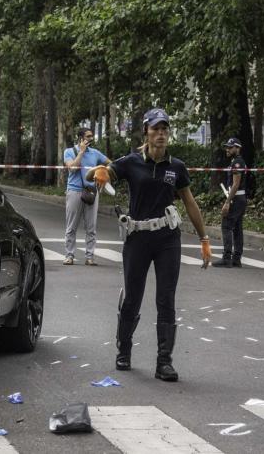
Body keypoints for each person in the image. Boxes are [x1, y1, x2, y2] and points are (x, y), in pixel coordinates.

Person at [88, 108, 212, 381]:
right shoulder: (131, 162)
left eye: (165, 130)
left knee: (166, 299)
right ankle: (124, 351)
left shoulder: (176, 167)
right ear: (146, 131)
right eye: (156, 129)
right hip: (138, 238)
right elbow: (102, 175)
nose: (161, 134)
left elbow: (189, 202)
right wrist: (99, 173)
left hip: (168, 239)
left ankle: (164, 362)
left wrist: (204, 239)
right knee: (133, 297)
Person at [62, 127, 109, 266]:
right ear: (80, 138)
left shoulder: (95, 153)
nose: (91, 139)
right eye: (88, 136)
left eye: (91, 136)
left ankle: (90, 257)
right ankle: (69, 255)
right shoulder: (69, 151)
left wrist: (105, 173)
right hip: (74, 191)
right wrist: (81, 152)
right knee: (71, 227)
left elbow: (111, 164)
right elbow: (72, 167)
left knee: (91, 227)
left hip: (92, 192)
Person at [213, 137, 247, 268]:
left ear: (238, 148)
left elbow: (236, 184)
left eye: (230, 147)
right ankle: (236, 259)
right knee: (237, 228)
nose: (227, 149)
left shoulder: (237, 163)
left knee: (226, 226)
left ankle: (227, 258)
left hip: (236, 199)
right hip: (240, 199)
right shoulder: (237, 161)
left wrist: (227, 202)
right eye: (227, 147)